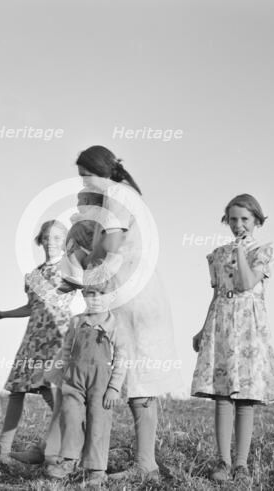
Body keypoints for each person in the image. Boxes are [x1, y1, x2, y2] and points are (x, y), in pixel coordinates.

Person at [71, 145, 180, 482]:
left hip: (128, 293)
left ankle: (145, 465)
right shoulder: (128, 193)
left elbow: (113, 244)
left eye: (85, 174)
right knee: (135, 375)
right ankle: (142, 463)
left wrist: (85, 249)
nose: (83, 182)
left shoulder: (116, 195)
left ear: (98, 170)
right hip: (138, 290)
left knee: (134, 374)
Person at [191, 193, 274, 484]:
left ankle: (241, 463)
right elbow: (216, 292)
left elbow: (245, 283)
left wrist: (241, 251)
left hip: (248, 324)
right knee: (222, 393)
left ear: (256, 220)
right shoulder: (217, 254)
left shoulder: (263, 250)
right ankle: (223, 460)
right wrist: (203, 327)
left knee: (245, 396)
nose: (238, 224)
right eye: (233, 219)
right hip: (221, 321)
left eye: (244, 219)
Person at [0, 220, 75, 464]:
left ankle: (66, 445)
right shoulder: (34, 275)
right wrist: (5, 313)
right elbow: (32, 307)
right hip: (33, 336)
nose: (52, 242)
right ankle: (3, 449)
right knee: (17, 389)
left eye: (58, 238)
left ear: (66, 242)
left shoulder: (71, 267)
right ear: (41, 240)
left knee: (52, 391)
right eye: (48, 237)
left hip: (57, 335)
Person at [45, 272, 129, 486]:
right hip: (74, 380)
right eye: (90, 294)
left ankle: (96, 469)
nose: (95, 299)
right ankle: (69, 459)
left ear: (111, 297)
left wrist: (114, 388)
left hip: (101, 383)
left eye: (101, 294)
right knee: (70, 417)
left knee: (98, 422)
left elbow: (122, 357)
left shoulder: (114, 325)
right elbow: (66, 349)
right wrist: (62, 372)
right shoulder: (77, 322)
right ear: (83, 296)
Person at [60, 188, 103, 288]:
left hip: (91, 241)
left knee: (71, 252)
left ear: (85, 201)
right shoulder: (92, 213)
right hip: (85, 245)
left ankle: (76, 275)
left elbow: (91, 219)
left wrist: (78, 218)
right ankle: (76, 276)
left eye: (79, 200)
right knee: (71, 256)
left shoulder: (97, 209)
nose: (78, 204)